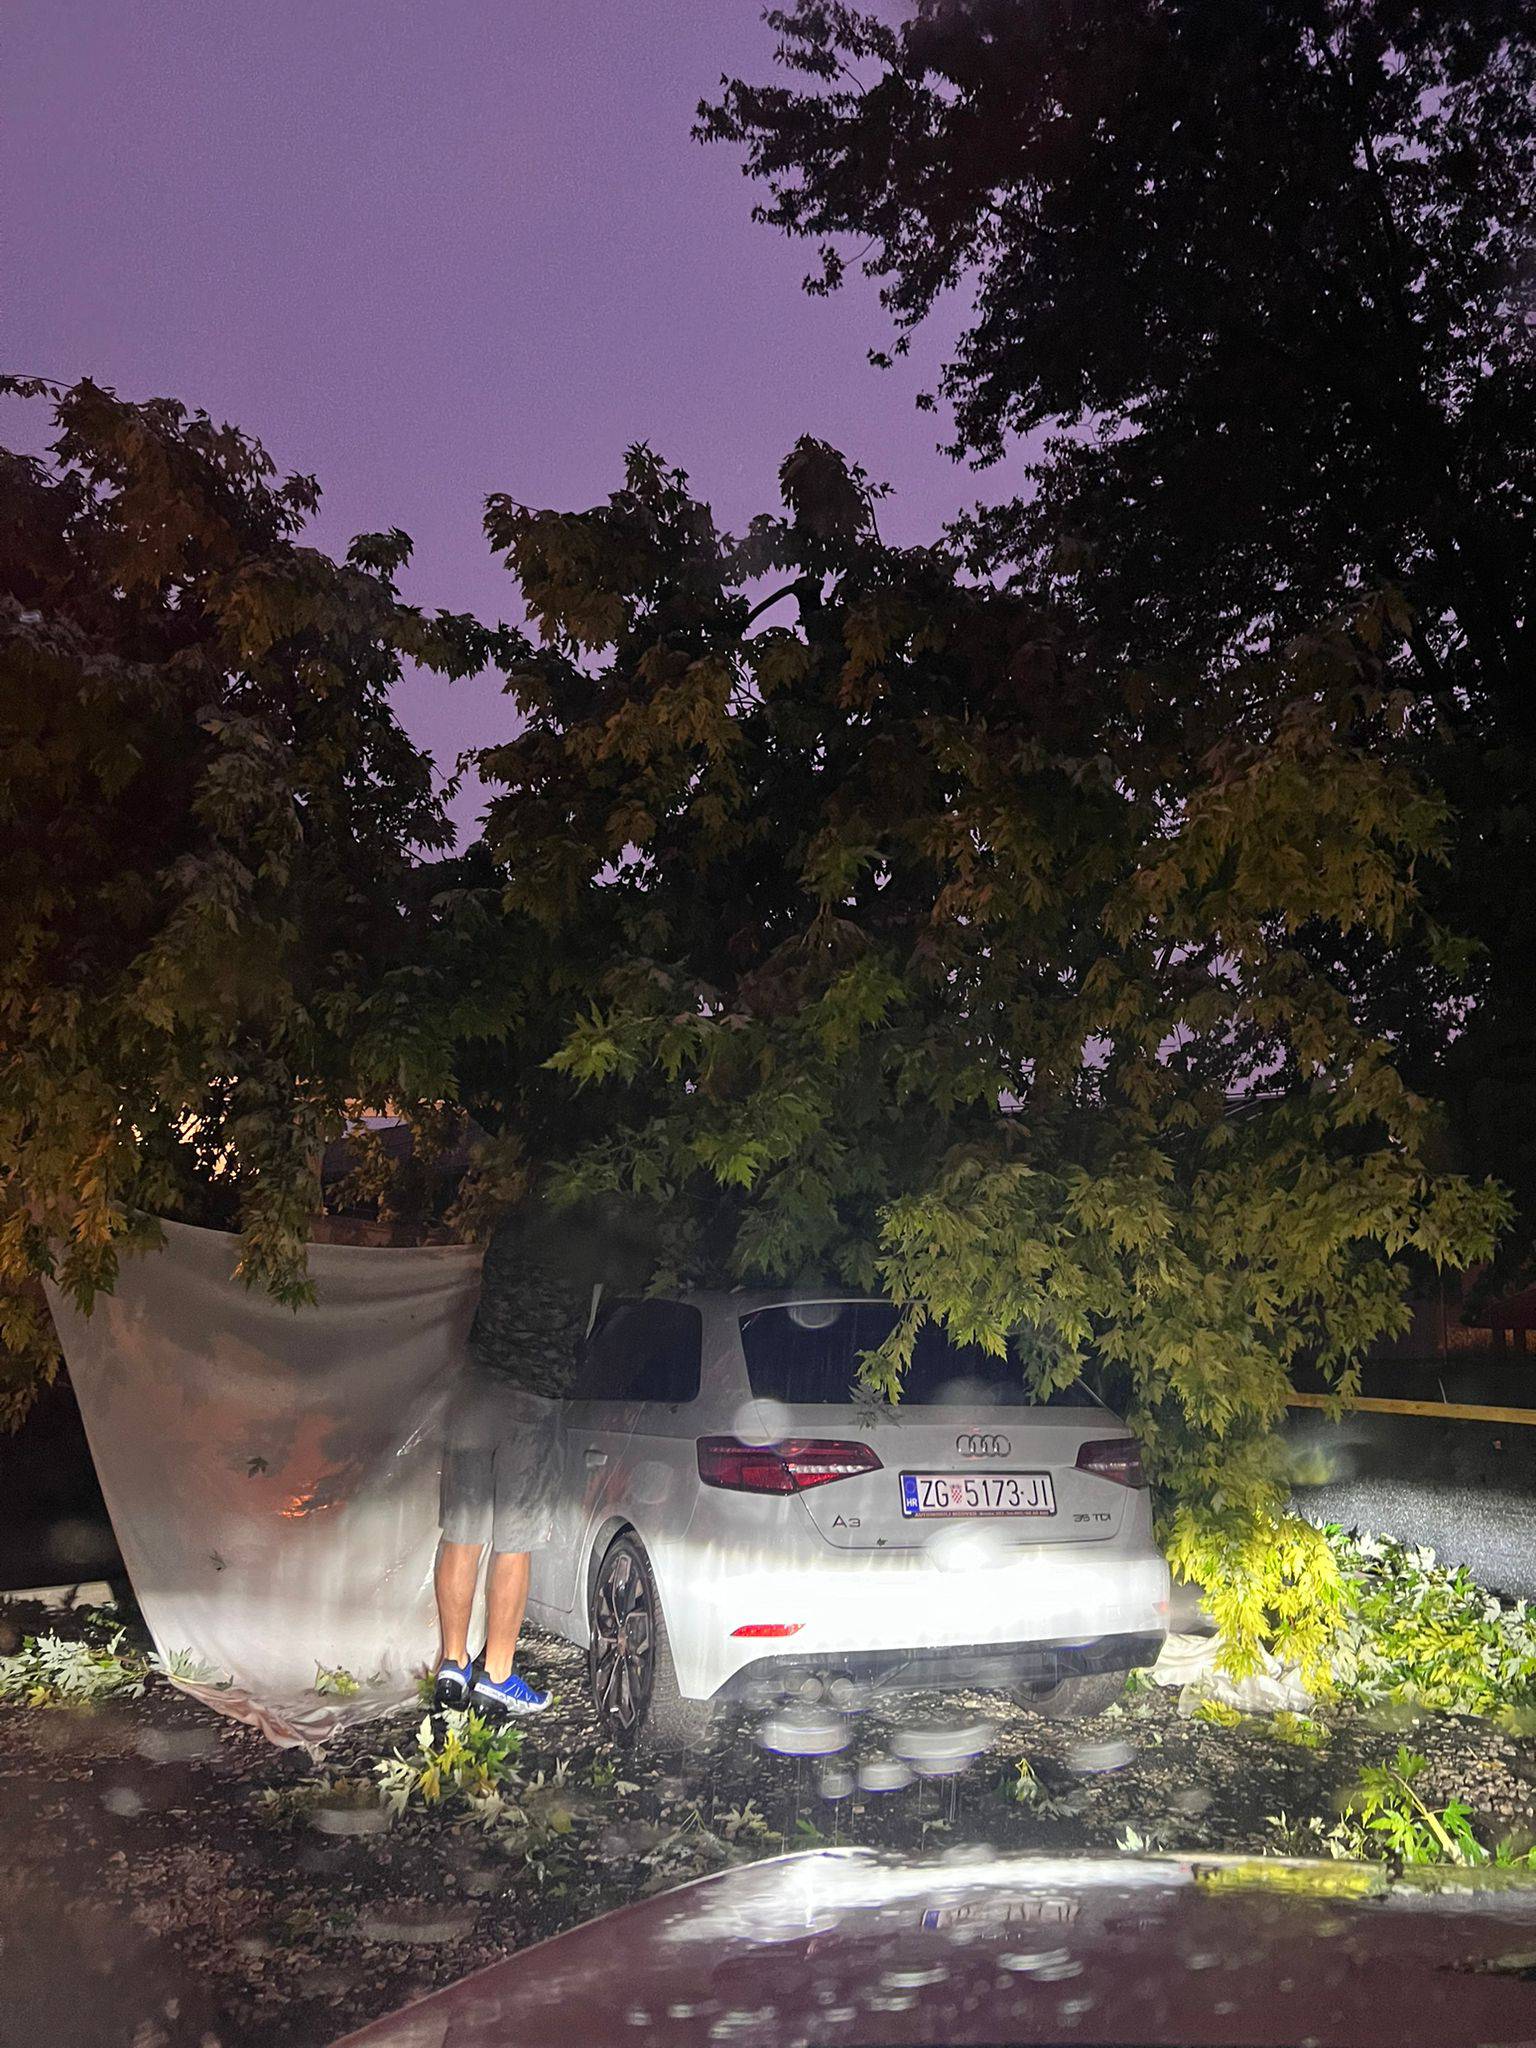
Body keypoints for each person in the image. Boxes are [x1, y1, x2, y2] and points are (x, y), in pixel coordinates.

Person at [431, 1197, 653, 1717]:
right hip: (530, 1401)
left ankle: (452, 1666)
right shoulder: (587, 1241)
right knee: (514, 1543)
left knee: (462, 1534)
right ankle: (499, 1676)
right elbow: (636, 1273)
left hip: (472, 1393)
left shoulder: (508, 1224)